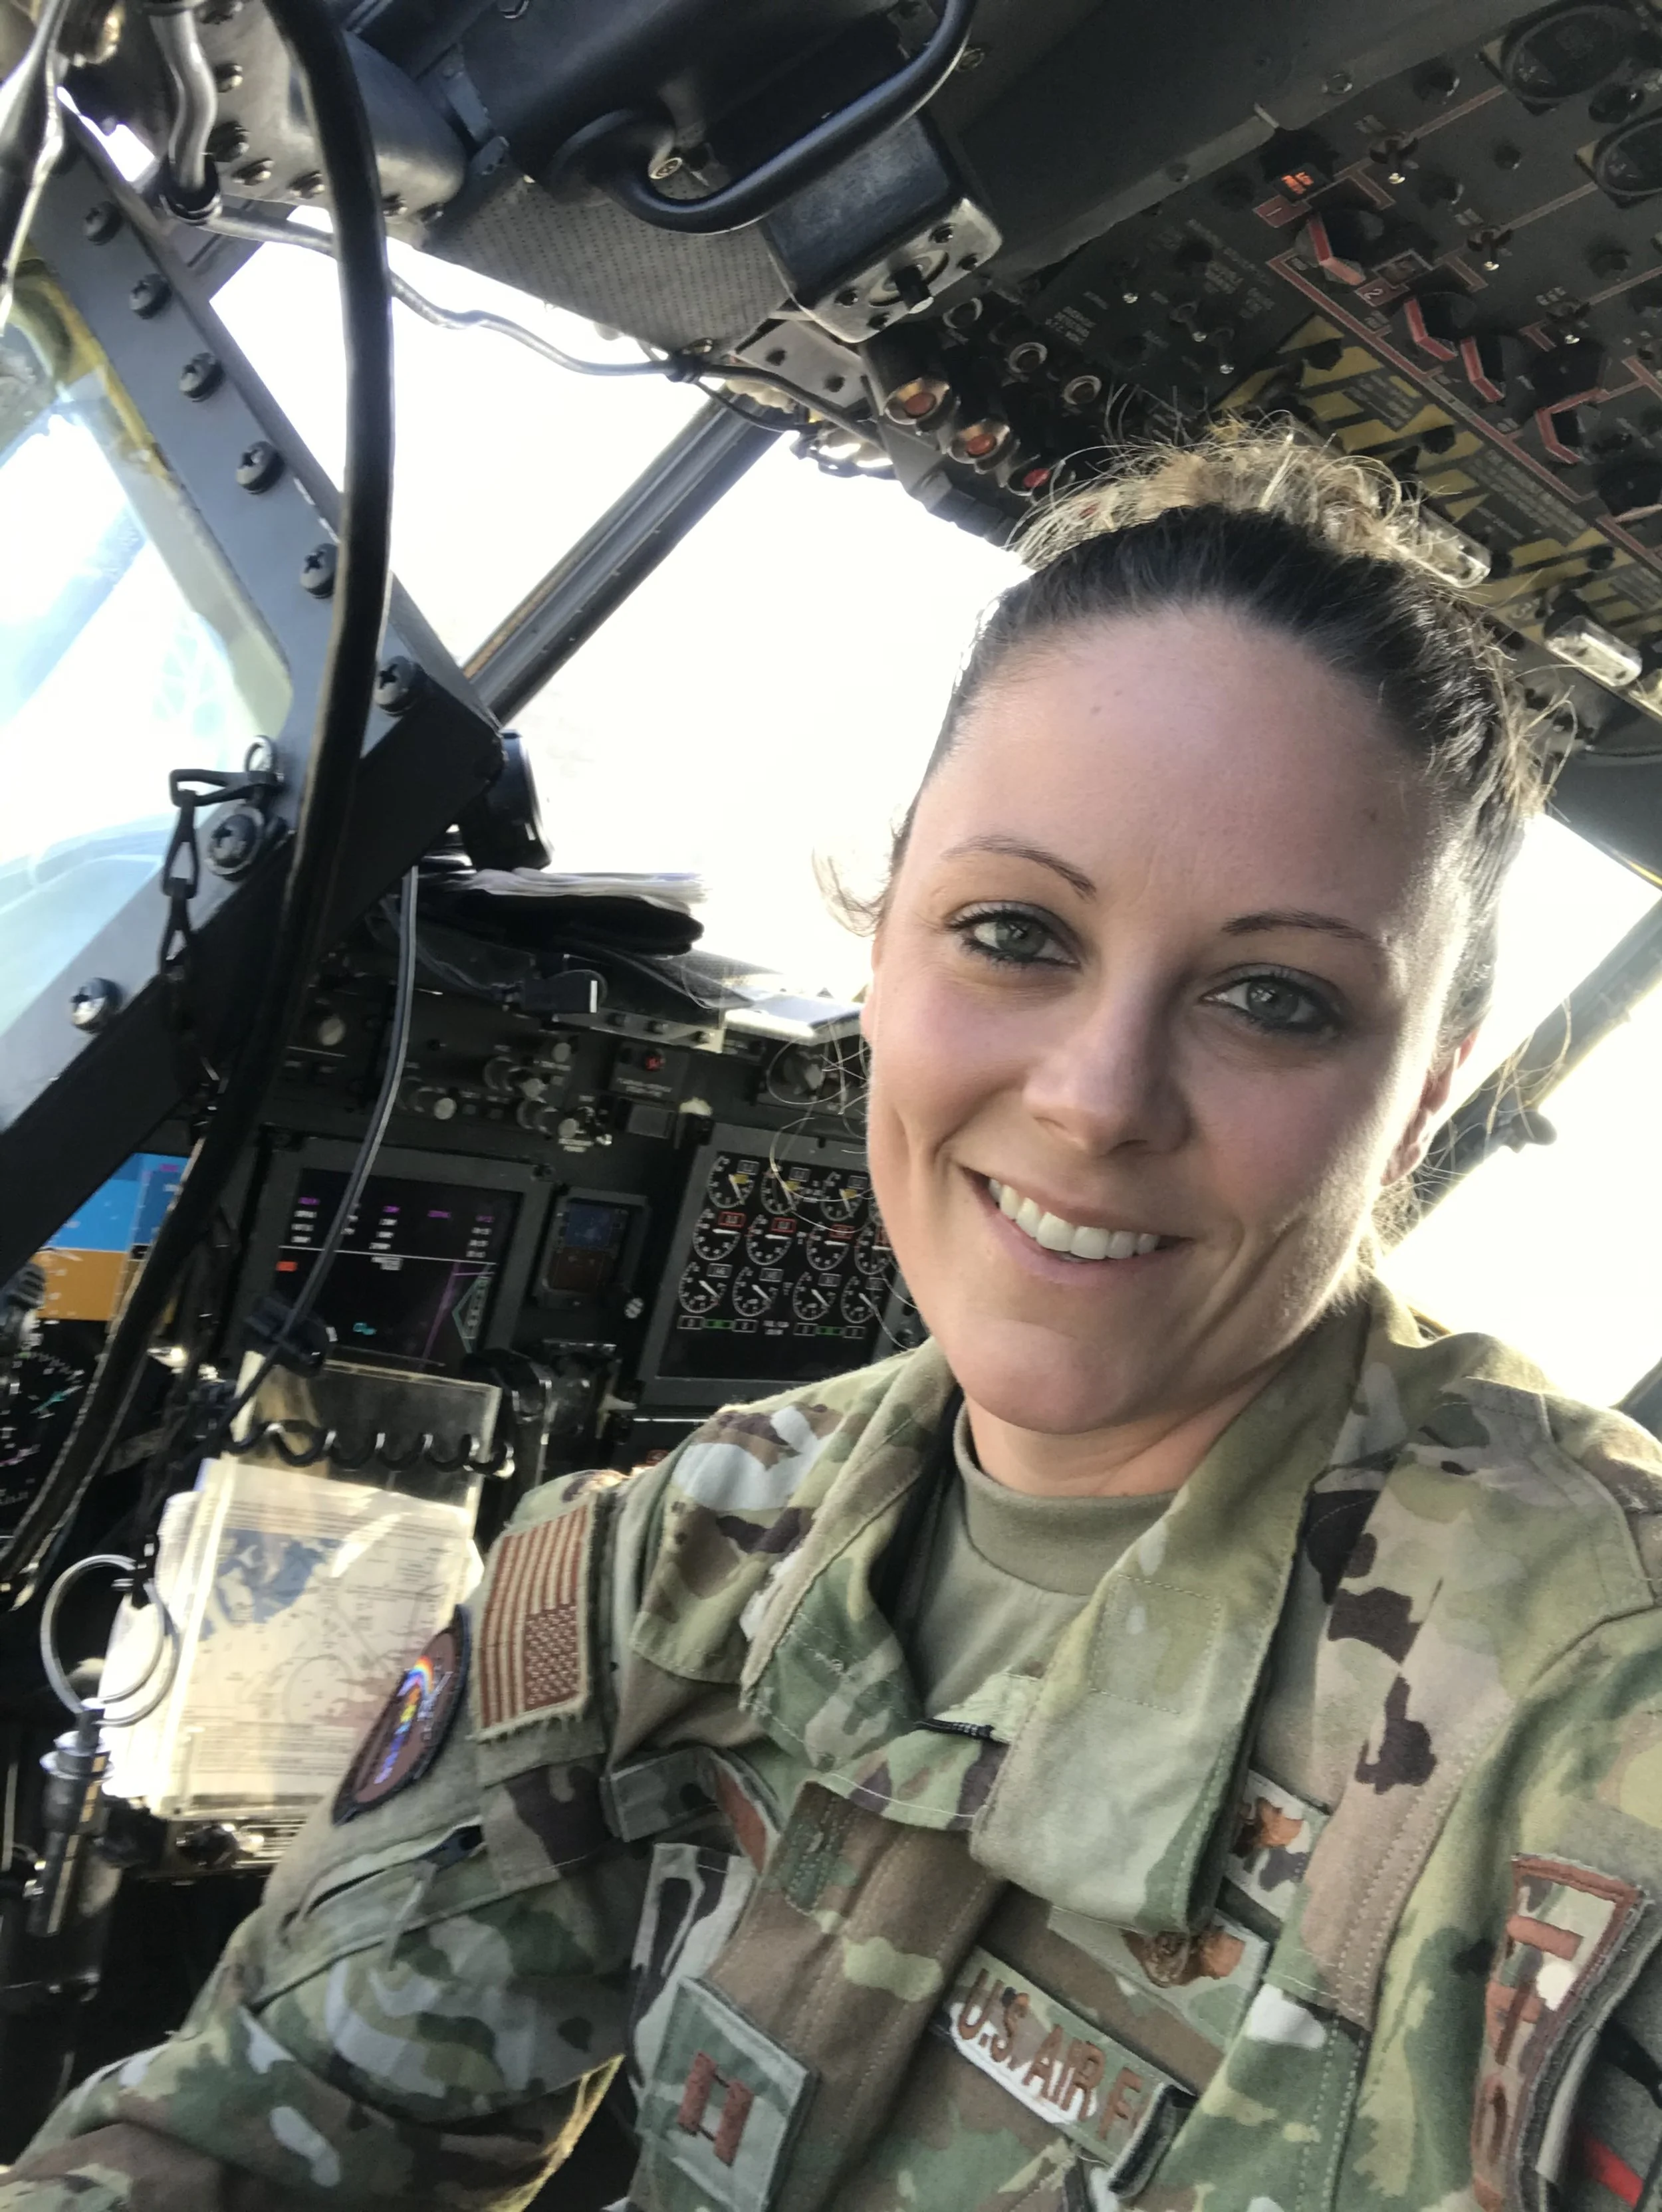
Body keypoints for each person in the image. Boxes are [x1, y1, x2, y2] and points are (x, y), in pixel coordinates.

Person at [7, 425, 1662, 2212]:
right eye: (1015, 933)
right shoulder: (680, 1551)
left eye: (1275, 998)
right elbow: (249, 2137)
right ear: (878, 953)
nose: (1095, 1099)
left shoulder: (1593, 1731)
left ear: (1423, 1102)